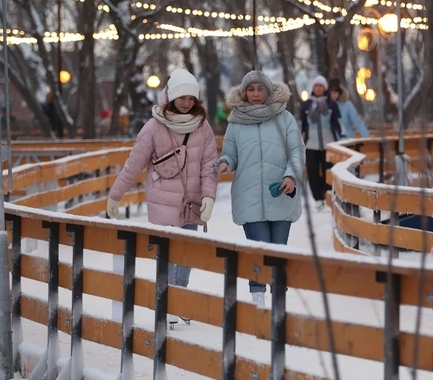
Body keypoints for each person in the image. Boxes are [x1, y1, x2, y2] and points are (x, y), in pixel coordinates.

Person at [106, 69, 218, 327]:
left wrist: (209, 196)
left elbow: (209, 165)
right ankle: (169, 302)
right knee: (168, 253)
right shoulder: (154, 127)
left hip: (192, 202)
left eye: (191, 98)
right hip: (163, 202)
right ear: (171, 98)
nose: (187, 103)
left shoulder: (202, 127)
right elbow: (134, 164)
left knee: (187, 253)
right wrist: (116, 194)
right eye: (182, 97)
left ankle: (178, 300)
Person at [216, 71, 304, 308]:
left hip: (280, 191)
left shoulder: (284, 118)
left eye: (260, 89)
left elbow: (296, 151)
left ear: (268, 91)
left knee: (277, 250)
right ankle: (258, 297)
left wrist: (291, 176)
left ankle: (278, 297)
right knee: (257, 248)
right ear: (244, 93)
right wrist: (224, 162)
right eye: (251, 90)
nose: (255, 94)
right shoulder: (235, 121)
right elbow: (230, 153)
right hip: (249, 193)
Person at [299, 75, 342, 209]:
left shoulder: (331, 104)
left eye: (321, 86)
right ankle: (317, 197)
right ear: (313, 88)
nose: (318, 88)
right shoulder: (306, 105)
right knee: (312, 171)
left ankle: (327, 193)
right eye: (316, 86)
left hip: (328, 143)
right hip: (311, 144)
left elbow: (337, 123)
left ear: (325, 88)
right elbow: (303, 124)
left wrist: (340, 137)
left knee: (328, 169)